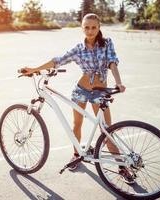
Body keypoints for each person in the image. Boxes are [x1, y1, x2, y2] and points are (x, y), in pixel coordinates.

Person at [20, 13, 134, 183]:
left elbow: (112, 63)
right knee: (77, 124)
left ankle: (122, 167)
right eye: (86, 27)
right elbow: (58, 60)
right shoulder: (78, 49)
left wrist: (118, 82)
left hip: (100, 92)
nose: (90, 31)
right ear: (82, 28)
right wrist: (34, 68)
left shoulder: (107, 43)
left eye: (93, 27)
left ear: (99, 27)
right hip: (81, 90)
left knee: (107, 130)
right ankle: (76, 154)